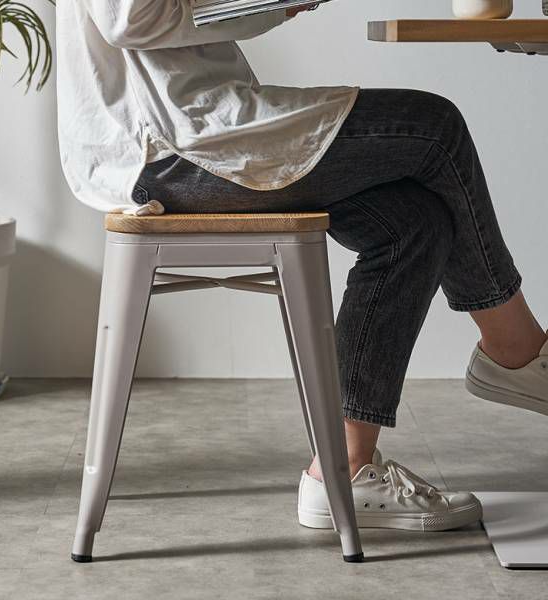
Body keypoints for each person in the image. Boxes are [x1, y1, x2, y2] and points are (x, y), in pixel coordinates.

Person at [56, 1, 547, 532]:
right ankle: (516, 351)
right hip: (168, 146)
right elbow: (129, 18)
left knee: (415, 223)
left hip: (176, 132)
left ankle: (343, 468)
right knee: (435, 127)